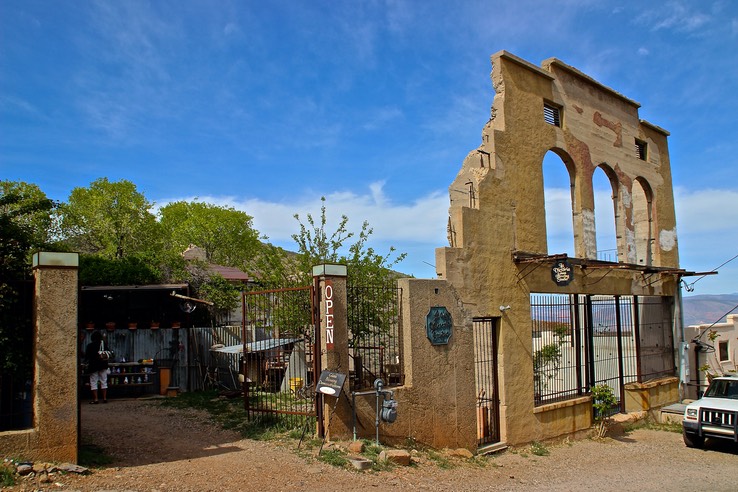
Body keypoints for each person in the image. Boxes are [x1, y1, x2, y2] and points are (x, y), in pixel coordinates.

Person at [85, 331, 109, 404]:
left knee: (93, 382)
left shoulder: (89, 346)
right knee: (104, 381)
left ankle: (96, 399)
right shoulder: (103, 344)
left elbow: (87, 357)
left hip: (93, 365)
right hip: (103, 364)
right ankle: (104, 398)